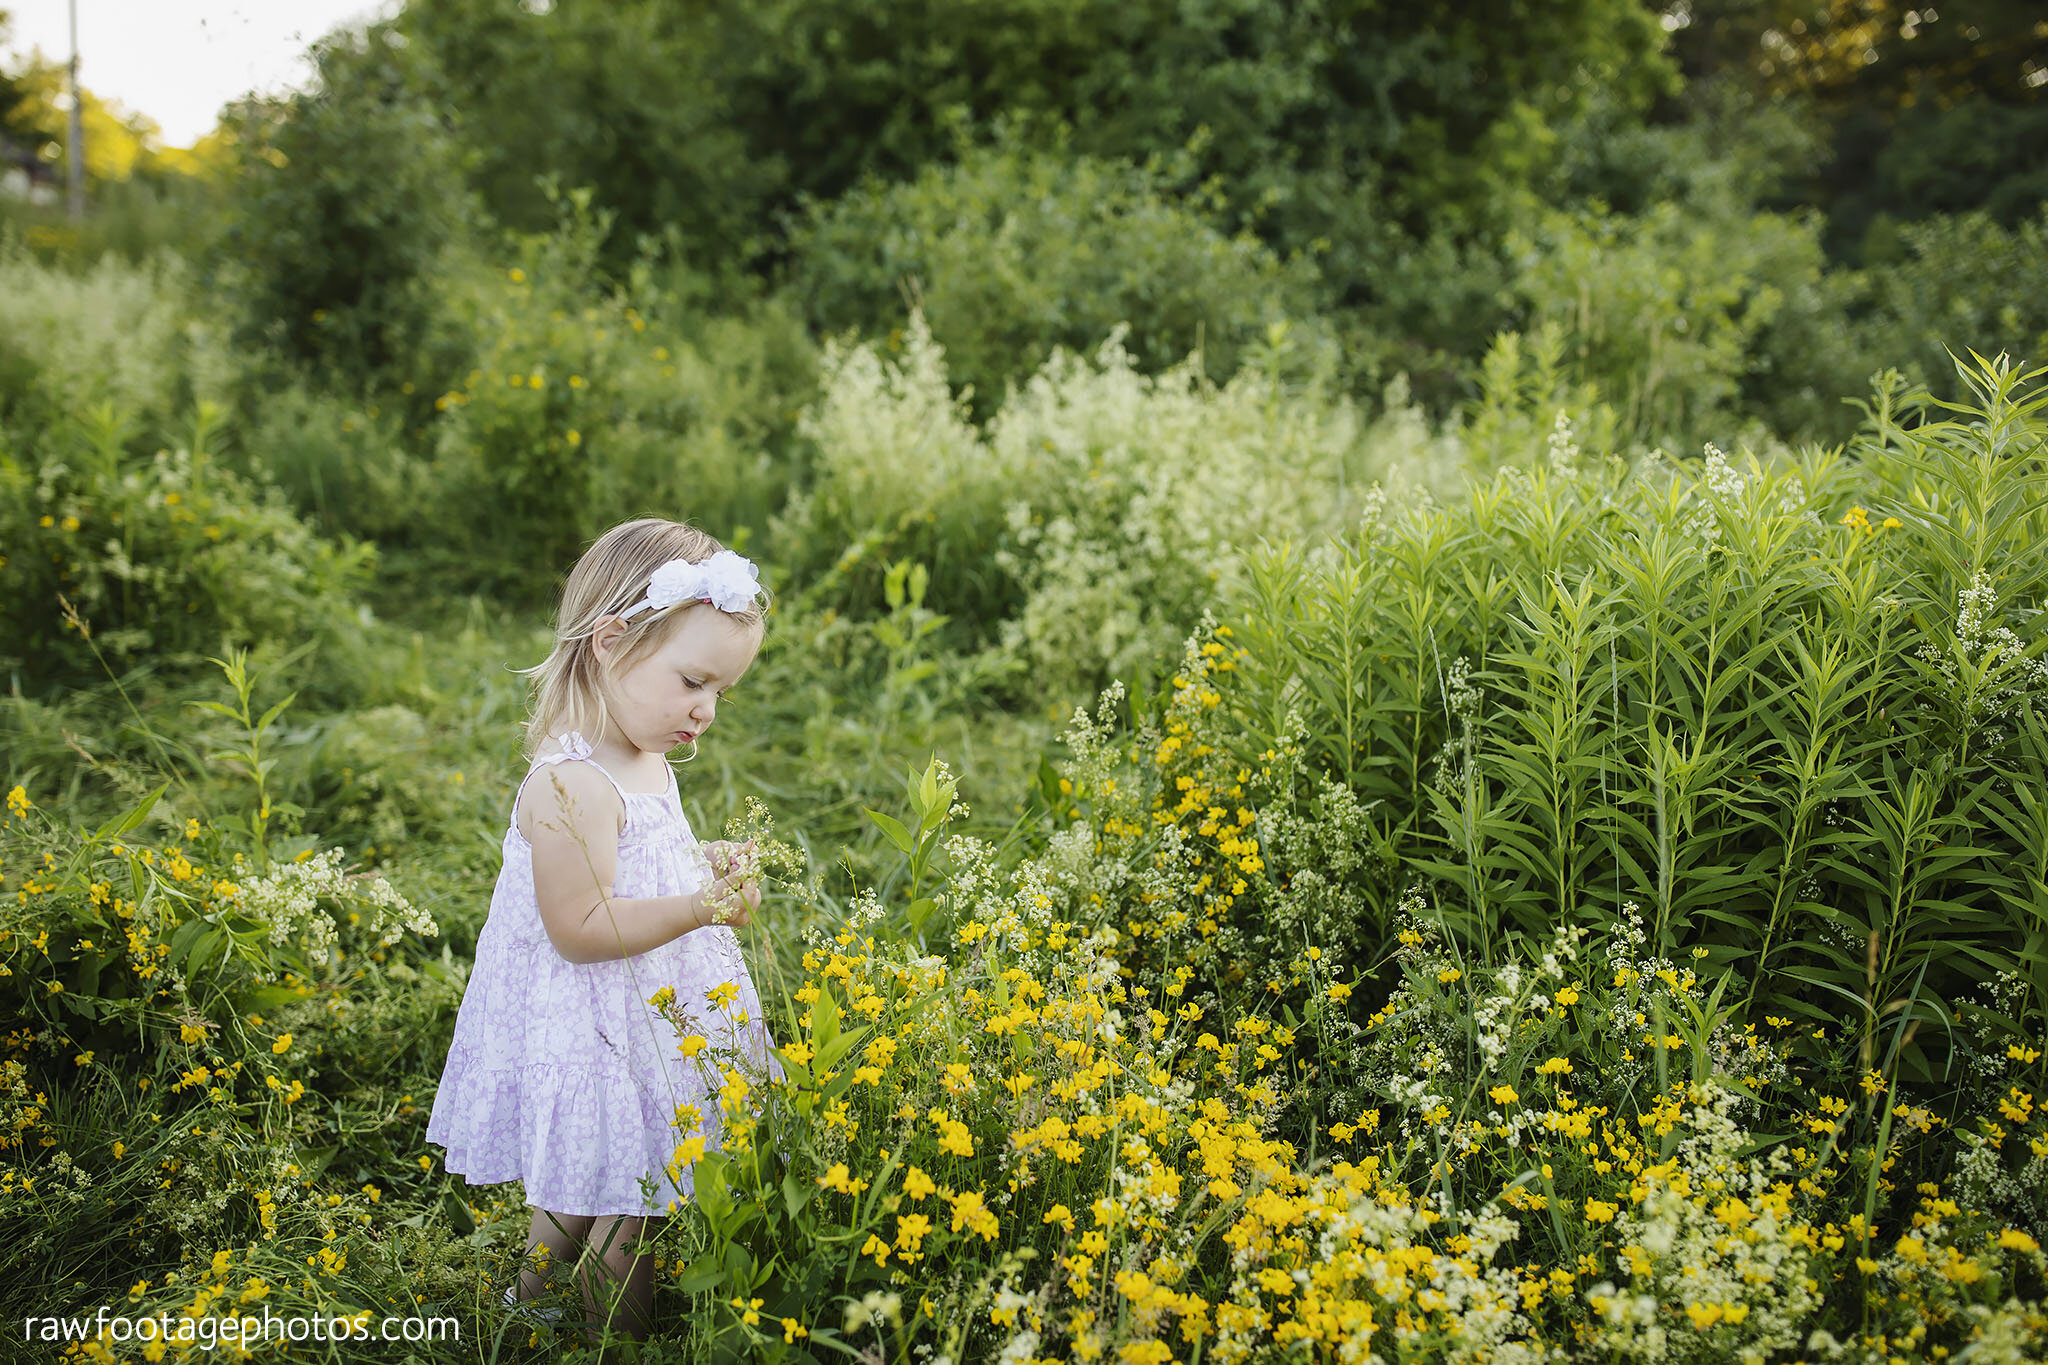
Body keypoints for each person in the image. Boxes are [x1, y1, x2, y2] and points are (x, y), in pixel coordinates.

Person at [424, 518, 780, 1348]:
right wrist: (700, 906)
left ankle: (528, 1311)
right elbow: (581, 926)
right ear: (611, 641)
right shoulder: (572, 783)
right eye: (694, 680)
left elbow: (645, 860)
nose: (708, 709)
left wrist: (705, 862)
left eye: (722, 690)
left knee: (615, 1174)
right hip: (589, 1015)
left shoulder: (645, 749)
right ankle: (614, 1337)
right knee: (630, 1187)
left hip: (642, 1004)